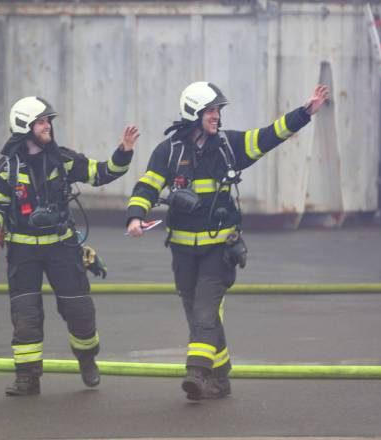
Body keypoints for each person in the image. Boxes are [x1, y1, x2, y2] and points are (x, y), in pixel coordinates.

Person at [125, 82, 329, 401]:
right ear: (194, 113)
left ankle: (196, 372)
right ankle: (220, 378)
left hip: (218, 251)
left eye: (218, 110)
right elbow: (146, 187)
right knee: (197, 315)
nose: (217, 116)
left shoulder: (228, 146)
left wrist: (304, 113)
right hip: (182, 251)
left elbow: (267, 135)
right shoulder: (168, 152)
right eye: (211, 110)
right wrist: (135, 217)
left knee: (206, 312)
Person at [0, 96, 139, 396]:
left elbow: (102, 172)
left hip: (61, 247)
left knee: (79, 311)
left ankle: (87, 359)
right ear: (25, 126)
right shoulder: (6, 168)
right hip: (22, 251)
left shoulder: (63, 159)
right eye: (42, 122)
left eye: (48, 121)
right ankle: (27, 378)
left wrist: (124, 152)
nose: (47, 126)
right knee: (25, 317)